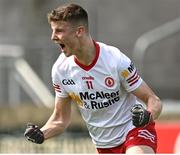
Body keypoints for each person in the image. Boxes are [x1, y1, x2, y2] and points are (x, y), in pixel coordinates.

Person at [24, 3, 162, 154]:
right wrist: (42, 133)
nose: (53, 37)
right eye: (53, 31)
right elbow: (60, 120)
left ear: (79, 31)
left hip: (134, 132)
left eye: (59, 30)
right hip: (103, 144)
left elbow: (153, 100)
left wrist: (147, 116)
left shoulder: (115, 60)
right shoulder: (60, 70)